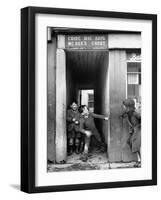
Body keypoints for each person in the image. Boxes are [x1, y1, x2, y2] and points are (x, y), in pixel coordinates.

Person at [121, 98, 141, 167]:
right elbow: (123, 115)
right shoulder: (128, 113)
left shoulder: (136, 113)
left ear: (128, 107)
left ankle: (141, 161)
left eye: (124, 106)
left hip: (139, 131)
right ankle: (139, 160)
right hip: (134, 131)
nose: (123, 107)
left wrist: (138, 127)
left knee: (137, 145)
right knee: (130, 142)